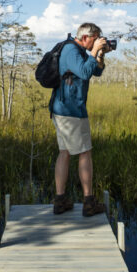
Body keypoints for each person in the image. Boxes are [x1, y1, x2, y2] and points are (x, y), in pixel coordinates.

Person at [49, 22, 109, 216]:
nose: (97, 41)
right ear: (85, 38)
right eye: (96, 38)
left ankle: (60, 201)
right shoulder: (70, 50)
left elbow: (96, 71)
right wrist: (93, 53)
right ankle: (89, 203)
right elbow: (84, 72)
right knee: (85, 153)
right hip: (71, 110)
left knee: (64, 152)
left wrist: (99, 54)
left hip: (64, 108)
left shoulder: (80, 50)